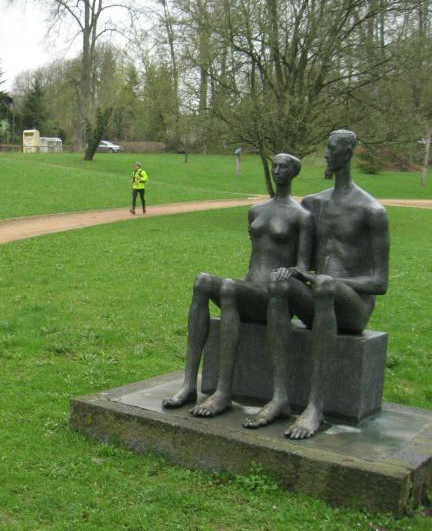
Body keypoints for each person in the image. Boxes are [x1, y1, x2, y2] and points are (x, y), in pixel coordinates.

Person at [244, 130, 389, 439]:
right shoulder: (313, 204)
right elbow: (301, 260)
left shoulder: (372, 211)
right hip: (318, 298)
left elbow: (380, 282)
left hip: (353, 308)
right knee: (279, 284)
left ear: (347, 153)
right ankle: (280, 397)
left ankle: (315, 407)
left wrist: (329, 280)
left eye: (331, 149)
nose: (326, 154)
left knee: (323, 286)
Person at [163, 154, 313, 414]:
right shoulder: (256, 211)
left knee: (230, 287)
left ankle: (223, 393)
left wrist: (289, 272)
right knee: (202, 281)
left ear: (294, 173)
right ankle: (188, 385)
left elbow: (302, 268)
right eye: (275, 166)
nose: (277, 171)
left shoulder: (302, 216)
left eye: (284, 167)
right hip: (250, 288)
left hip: (274, 297)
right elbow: (256, 257)